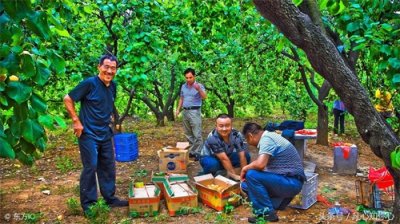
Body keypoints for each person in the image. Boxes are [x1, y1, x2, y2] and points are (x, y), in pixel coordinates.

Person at [64, 54, 128, 213]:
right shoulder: (90, 84)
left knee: (108, 166)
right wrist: (75, 120)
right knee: (91, 166)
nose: (109, 71)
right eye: (106, 67)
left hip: (105, 133)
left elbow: (106, 104)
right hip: (89, 134)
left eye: (113, 68)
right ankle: (89, 205)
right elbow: (67, 98)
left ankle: (110, 199)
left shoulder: (113, 86)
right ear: (99, 67)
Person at [240, 122, 305, 223]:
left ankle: (266, 214)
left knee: (251, 175)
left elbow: (260, 164)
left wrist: (245, 168)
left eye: (247, 140)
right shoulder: (271, 136)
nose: (249, 144)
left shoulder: (267, 139)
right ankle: (279, 202)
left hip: (292, 182)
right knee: (246, 185)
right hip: (288, 180)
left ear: (250, 136)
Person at [199, 114, 251, 180]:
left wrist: (244, 175)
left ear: (231, 125)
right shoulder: (212, 137)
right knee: (212, 164)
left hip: (227, 155)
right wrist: (235, 176)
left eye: (227, 125)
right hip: (210, 157)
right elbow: (224, 159)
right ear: (216, 126)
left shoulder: (236, 134)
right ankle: (210, 175)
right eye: (221, 126)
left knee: (246, 156)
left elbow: (242, 155)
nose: (224, 129)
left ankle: (227, 172)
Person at [175, 68, 207, 160]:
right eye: (187, 78)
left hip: (194, 111)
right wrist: (178, 109)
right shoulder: (183, 86)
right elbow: (181, 98)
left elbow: (204, 97)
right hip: (185, 111)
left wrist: (199, 89)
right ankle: (192, 151)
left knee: (197, 133)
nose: (188, 79)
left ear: (194, 76)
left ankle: (198, 152)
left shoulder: (199, 85)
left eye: (190, 77)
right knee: (188, 133)